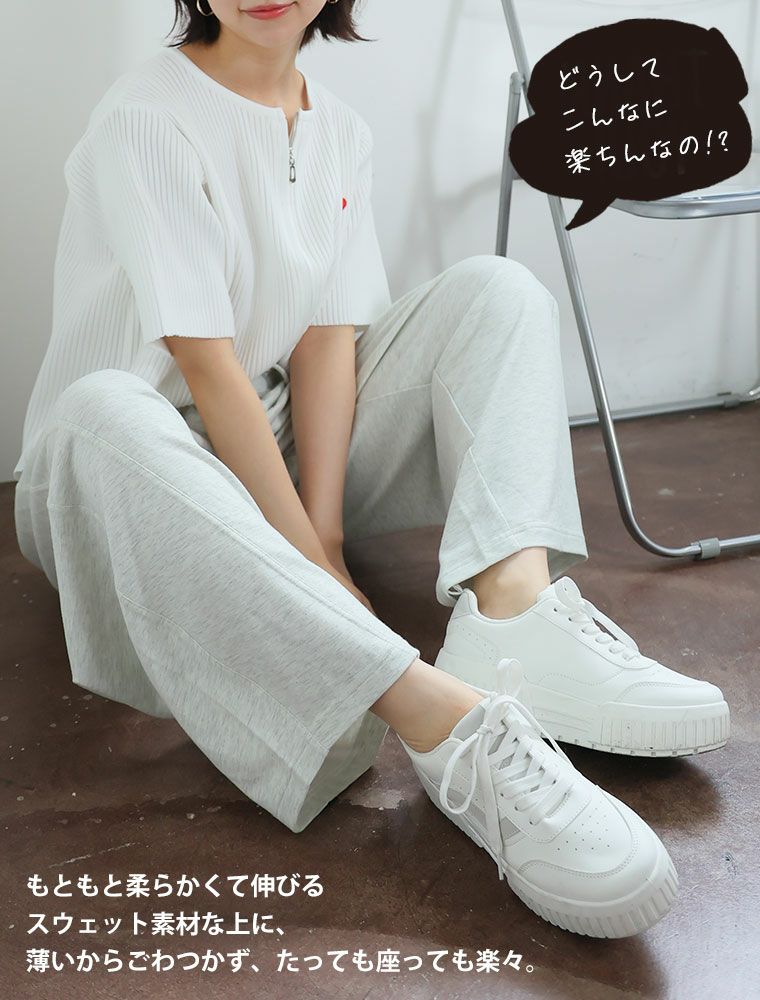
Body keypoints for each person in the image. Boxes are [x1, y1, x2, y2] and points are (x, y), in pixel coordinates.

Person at [13, 0, 729, 938]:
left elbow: (325, 336)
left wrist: (327, 535)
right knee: (100, 405)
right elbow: (204, 361)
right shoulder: (146, 115)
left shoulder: (339, 129)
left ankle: (513, 614)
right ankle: (442, 723)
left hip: (266, 437)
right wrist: (313, 569)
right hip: (119, 474)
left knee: (497, 291)